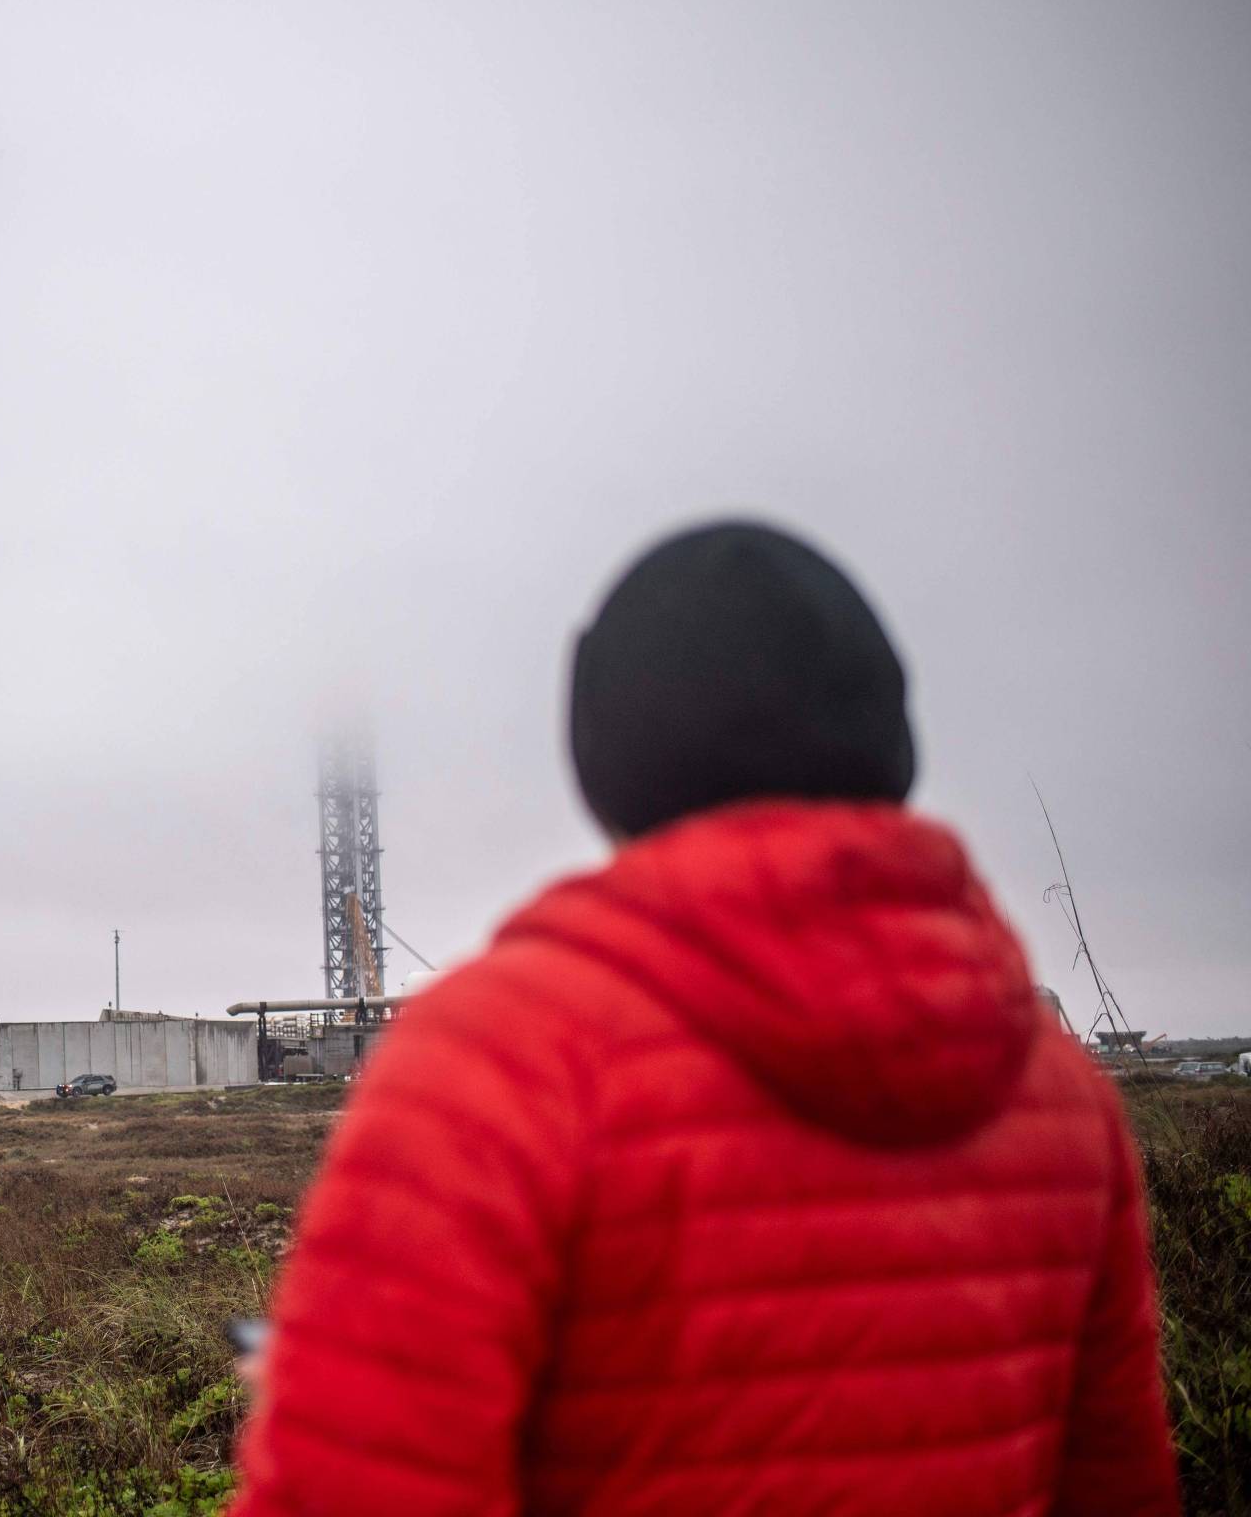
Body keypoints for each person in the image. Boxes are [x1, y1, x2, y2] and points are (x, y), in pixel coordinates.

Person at [228, 520, 1176, 1515]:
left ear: (605, 758)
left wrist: (337, 1400)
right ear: (885, 738)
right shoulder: (1061, 1101)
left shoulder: (498, 1062)